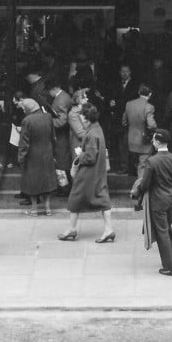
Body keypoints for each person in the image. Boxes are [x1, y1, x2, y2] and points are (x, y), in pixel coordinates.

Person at [130, 128, 172, 276]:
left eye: (154, 140)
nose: (152, 142)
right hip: (170, 198)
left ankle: (170, 267)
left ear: (158, 142)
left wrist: (137, 192)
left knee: (162, 233)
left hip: (157, 200)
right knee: (168, 229)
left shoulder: (152, 161)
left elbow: (146, 184)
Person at [58, 103, 114, 243]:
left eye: (82, 114)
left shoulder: (91, 134)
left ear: (86, 118)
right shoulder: (97, 129)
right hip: (98, 172)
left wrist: (80, 154)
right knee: (103, 199)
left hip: (88, 174)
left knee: (75, 198)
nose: (80, 116)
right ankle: (109, 229)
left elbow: (90, 157)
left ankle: (71, 229)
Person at [17, 97, 57, 217]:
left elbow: (24, 143)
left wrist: (21, 158)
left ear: (28, 108)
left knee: (33, 183)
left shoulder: (27, 120)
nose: (23, 110)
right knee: (48, 182)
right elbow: (53, 137)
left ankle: (34, 209)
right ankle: (48, 208)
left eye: (24, 108)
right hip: (47, 153)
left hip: (32, 155)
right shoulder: (48, 117)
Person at [123, 84, 156, 178]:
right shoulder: (149, 107)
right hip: (144, 140)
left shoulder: (129, 104)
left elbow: (124, 122)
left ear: (139, 93)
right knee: (143, 165)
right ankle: (140, 187)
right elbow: (151, 125)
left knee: (134, 163)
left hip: (131, 139)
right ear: (150, 94)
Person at [47, 84, 73, 187]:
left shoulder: (61, 99)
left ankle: (64, 187)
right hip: (63, 135)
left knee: (62, 161)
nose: (49, 94)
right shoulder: (63, 96)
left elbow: (62, 121)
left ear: (54, 88)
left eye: (48, 91)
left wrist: (48, 120)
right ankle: (64, 186)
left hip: (62, 135)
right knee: (63, 160)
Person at [68, 87, 89, 158]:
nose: (87, 99)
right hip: (79, 147)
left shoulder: (85, 110)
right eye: (85, 98)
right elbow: (80, 134)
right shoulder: (73, 114)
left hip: (88, 144)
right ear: (79, 100)